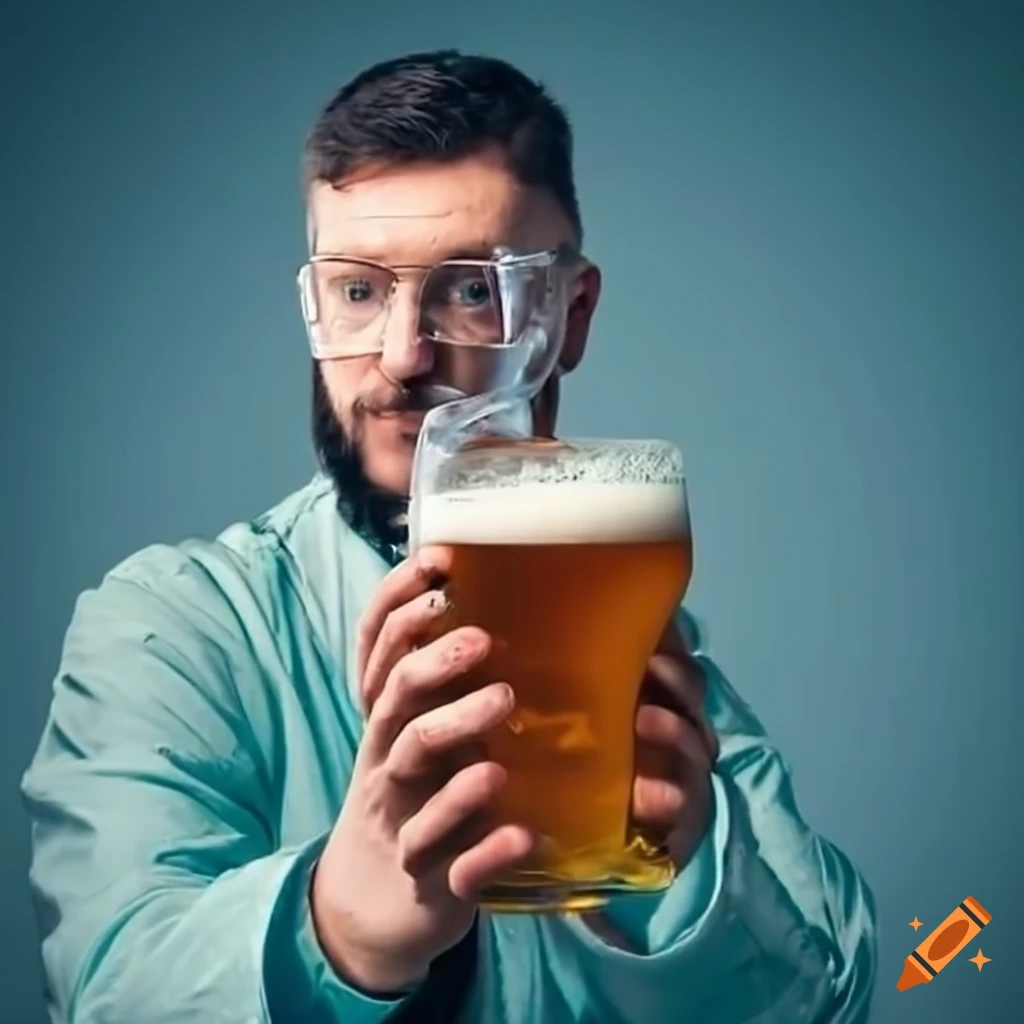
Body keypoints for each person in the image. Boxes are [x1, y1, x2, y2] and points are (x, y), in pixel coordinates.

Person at [22, 50, 877, 1023]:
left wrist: (689, 881)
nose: (399, 357)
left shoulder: (633, 639)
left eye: (470, 289)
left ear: (572, 313)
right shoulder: (178, 628)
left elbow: (836, 995)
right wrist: (340, 924)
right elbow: (107, 992)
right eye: (357, 291)